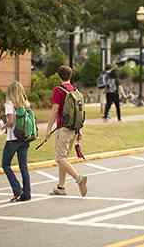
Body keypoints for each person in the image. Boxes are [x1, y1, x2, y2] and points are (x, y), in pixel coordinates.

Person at [45, 65, 88, 197]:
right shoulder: (74, 90)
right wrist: (79, 131)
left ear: (59, 76)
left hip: (63, 128)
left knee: (59, 158)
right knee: (63, 157)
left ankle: (79, 179)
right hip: (73, 129)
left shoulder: (58, 90)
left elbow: (54, 111)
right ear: (70, 76)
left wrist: (48, 129)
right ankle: (61, 187)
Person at [1, 81, 31, 202]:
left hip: (13, 139)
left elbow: (11, 121)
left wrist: (2, 127)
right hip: (24, 138)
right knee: (23, 167)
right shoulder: (26, 103)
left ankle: (17, 189)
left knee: (5, 164)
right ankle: (27, 194)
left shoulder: (9, 103)